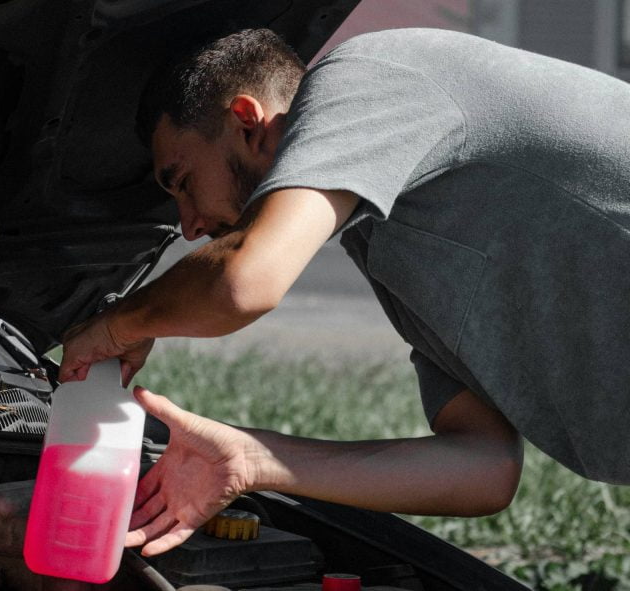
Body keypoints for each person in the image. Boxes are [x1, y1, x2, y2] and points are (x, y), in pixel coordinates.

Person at [60, 27, 630, 557]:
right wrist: (252, 458)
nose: (186, 225)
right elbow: (482, 468)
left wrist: (119, 324)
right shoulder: (388, 245)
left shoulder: (369, 73)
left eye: (182, 182)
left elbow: (243, 281)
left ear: (247, 120)